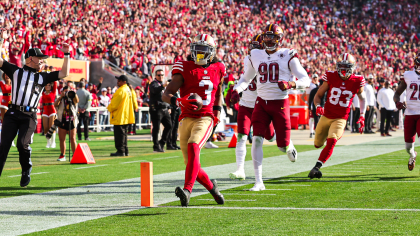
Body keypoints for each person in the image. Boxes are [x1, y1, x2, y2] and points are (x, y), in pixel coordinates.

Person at [232, 24, 310, 191]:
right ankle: (258, 182)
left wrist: (291, 83)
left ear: (279, 39)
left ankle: (288, 145)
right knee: (257, 139)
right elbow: (246, 78)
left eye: (273, 37)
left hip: (280, 103)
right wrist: (237, 90)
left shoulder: (287, 54)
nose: (269, 40)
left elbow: (306, 79)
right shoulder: (255, 54)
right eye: (266, 37)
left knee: (281, 146)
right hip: (261, 102)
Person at [0, 29, 70, 187]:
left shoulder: (43, 76)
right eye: (40, 58)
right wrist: (1, 41)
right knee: (3, 145)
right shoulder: (16, 71)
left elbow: (65, 72)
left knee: (22, 144)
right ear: (30, 58)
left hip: (29, 115)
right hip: (12, 113)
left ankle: (26, 169)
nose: (42, 61)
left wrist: (67, 54)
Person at [162, 34, 225, 207]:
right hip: (185, 118)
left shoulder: (219, 67)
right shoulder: (184, 66)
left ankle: (187, 191)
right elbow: (166, 94)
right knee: (192, 165)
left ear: (211, 52)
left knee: (193, 145)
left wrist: (217, 111)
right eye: (197, 48)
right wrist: (179, 101)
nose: (199, 52)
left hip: (205, 117)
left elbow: (219, 91)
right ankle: (214, 190)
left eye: (204, 49)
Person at [308, 53, 366, 179]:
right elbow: (317, 96)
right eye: (341, 66)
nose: (343, 70)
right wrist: (318, 106)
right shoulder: (330, 76)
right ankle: (320, 157)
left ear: (352, 67)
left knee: (332, 140)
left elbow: (362, 99)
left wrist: (362, 115)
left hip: (340, 118)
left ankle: (316, 167)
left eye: (347, 67)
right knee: (317, 144)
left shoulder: (357, 80)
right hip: (326, 116)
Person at [229, 34, 275, 181]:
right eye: (252, 46)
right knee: (242, 136)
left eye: (256, 47)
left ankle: (285, 140)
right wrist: (236, 89)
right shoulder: (248, 59)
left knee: (270, 137)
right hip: (246, 104)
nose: (253, 50)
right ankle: (240, 170)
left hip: (261, 105)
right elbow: (245, 79)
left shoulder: (269, 62)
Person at [394, 53, 420, 171]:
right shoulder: (408, 75)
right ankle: (413, 155)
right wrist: (397, 102)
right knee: (408, 147)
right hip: (409, 113)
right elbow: (397, 93)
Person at [107, 75, 138, 156]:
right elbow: (134, 99)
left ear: (124, 82)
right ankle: (125, 150)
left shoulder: (121, 90)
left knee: (119, 135)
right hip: (126, 115)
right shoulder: (129, 89)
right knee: (124, 134)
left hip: (120, 115)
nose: (118, 82)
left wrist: (109, 108)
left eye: (119, 80)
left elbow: (114, 104)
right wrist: (136, 107)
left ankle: (121, 151)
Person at [149, 69, 172, 152]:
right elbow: (155, 90)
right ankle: (156, 146)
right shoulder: (153, 84)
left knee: (169, 125)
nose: (161, 76)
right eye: (159, 75)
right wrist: (163, 86)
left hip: (164, 108)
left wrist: (169, 106)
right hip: (156, 109)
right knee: (156, 128)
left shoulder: (163, 85)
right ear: (155, 76)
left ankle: (162, 142)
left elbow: (166, 97)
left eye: (162, 75)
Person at [55, 86, 79, 161]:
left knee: (73, 139)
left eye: (68, 91)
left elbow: (77, 101)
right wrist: (61, 96)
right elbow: (55, 105)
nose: (67, 93)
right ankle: (62, 155)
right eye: (65, 91)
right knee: (62, 139)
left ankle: (75, 155)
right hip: (62, 120)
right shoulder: (60, 98)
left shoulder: (73, 98)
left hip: (72, 120)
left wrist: (73, 93)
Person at [41, 81, 58, 148]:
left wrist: (52, 74)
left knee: (51, 127)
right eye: (46, 85)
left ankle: (53, 142)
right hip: (45, 111)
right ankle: (48, 142)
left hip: (52, 111)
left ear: (51, 86)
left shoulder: (53, 92)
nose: (48, 86)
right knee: (46, 128)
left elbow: (55, 83)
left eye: (49, 85)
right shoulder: (42, 93)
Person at [0, 73, 14, 146]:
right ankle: (4, 140)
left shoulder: (14, 82)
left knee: (12, 122)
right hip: (4, 103)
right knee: (5, 122)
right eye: (5, 74)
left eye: (8, 74)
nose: (7, 75)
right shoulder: (2, 82)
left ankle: (12, 140)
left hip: (12, 103)